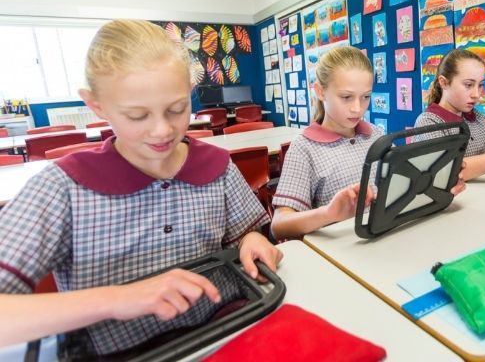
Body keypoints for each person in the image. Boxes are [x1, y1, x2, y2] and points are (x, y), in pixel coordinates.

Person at [0, 20, 282, 353]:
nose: (162, 130)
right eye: (137, 116)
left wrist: (252, 243)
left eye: (177, 109)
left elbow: (248, 235)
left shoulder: (218, 166)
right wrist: (116, 298)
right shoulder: (62, 188)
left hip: (224, 329)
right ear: (96, 105)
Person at [271, 46, 465, 240]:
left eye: (365, 97)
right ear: (320, 91)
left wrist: (438, 186)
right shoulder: (304, 148)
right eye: (346, 97)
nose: (357, 108)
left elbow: (404, 183)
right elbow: (279, 226)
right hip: (341, 251)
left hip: (387, 236)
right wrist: (328, 213)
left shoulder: (376, 134)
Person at [414, 48, 485, 180]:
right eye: (468, 85)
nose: (476, 94)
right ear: (444, 82)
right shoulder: (428, 123)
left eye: (480, 85)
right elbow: (452, 172)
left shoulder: (478, 117)